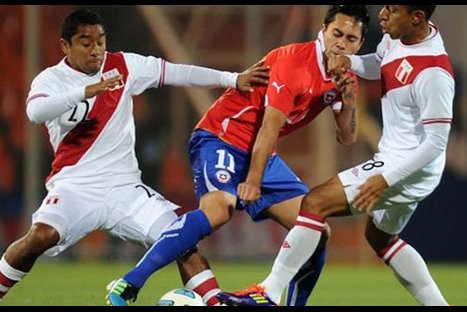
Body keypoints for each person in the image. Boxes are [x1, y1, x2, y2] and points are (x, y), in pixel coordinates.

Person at [0, 8, 270, 306]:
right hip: (74, 186)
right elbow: (35, 112)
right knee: (40, 236)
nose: (96, 49)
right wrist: (88, 91)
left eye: (100, 41)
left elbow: (177, 72)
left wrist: (232, 79)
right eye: (85, 42)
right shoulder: (51, 80)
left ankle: (216, 303)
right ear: (65, 45)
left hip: (125, 188)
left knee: (182, 240)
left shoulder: (125, 66)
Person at [106, 5, 370, 307]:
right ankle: (130, 283)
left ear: (360, 45)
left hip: (261, 151)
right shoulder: (293, 62)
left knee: (316, 231)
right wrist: (253, 181)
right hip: (221, 138)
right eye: (337, 33)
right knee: (220, 209)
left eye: (351, 39)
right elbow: (270, 126)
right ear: (323, 30)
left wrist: (348, 101)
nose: (341, 43)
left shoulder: (344, 77)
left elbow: (347, 138)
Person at [217, 5, 454, 306]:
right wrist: (350, 63)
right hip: (400, 159)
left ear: (417, 17)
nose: (381, 14)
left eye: (391, 10)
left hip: (408, 165)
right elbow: (380, 65)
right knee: (381, 239)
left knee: (315, 202)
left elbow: (435, 143)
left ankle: (269, 293)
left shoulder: (434, 73)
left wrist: (385, 178)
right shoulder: (397, 36)